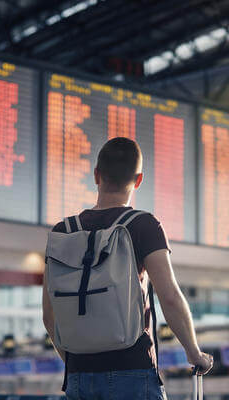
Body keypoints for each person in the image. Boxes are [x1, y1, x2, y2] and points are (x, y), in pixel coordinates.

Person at [42, 137, 213, 399]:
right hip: (132, 371)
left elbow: (49, 314)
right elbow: (169, 296)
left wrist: (76, 364)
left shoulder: (62, 232)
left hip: (78, 376)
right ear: (139, 179)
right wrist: (194, 353)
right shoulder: (143, 225)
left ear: (96, 175)